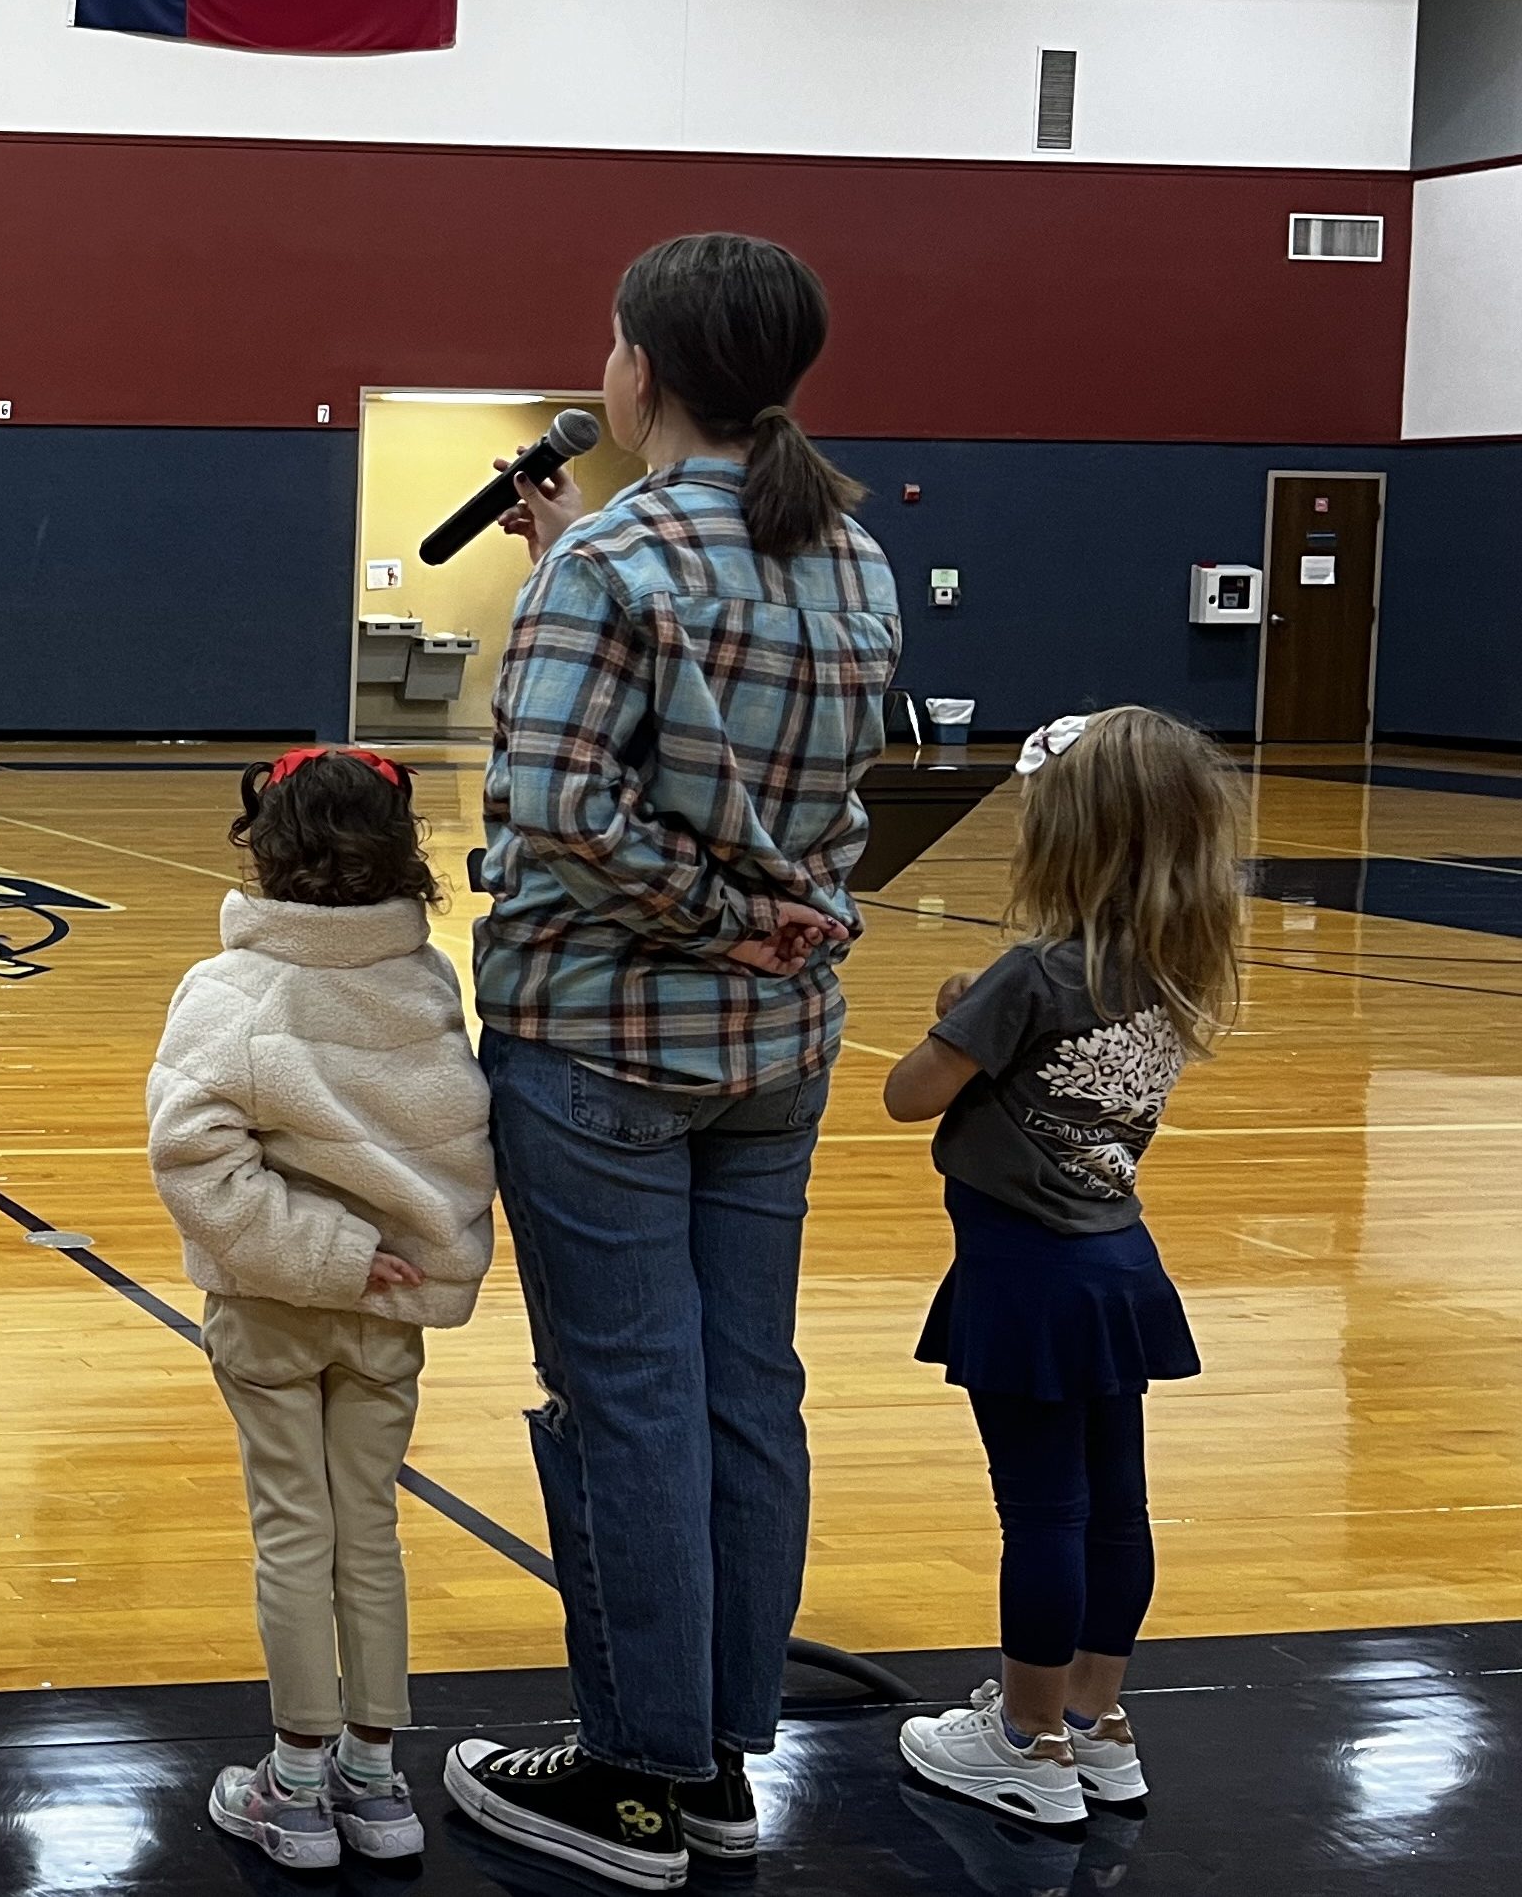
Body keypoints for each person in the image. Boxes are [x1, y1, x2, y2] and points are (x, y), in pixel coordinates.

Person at [440, 232, 900, 1891]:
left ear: (645, 370)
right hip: (778, 1051)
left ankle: (631, 1774)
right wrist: (772, 921)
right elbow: (820, 798)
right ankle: (711, 1759)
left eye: (613, 346)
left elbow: (562, 808)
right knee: (741, 1388)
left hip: (604, 1044)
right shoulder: (850, 556)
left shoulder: (616, 563)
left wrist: (707, 914)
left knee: (627, 1396)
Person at [881, 708, 1236, 1825]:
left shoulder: (1033, 972)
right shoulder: (1173, 968)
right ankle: (1098, 1718)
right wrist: (975, 1020)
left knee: (1039, 1513)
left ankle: (1025, 1742)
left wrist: (958, 1019)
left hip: (1024, 1276)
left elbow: (908, 1095)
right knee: (1115, 1508)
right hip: (1118, 1263)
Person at [147, 746, 496, 1871]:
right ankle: (375, 1781)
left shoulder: (234, 988)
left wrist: (328, 1254)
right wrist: (395, 1255)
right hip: (386, 1311)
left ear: (270, 847)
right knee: (371, 1530)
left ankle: (298, 1784)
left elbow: (190, 1154)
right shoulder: (426, 977)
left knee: (297, 1531)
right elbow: (459, 1127)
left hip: (275, 1303)